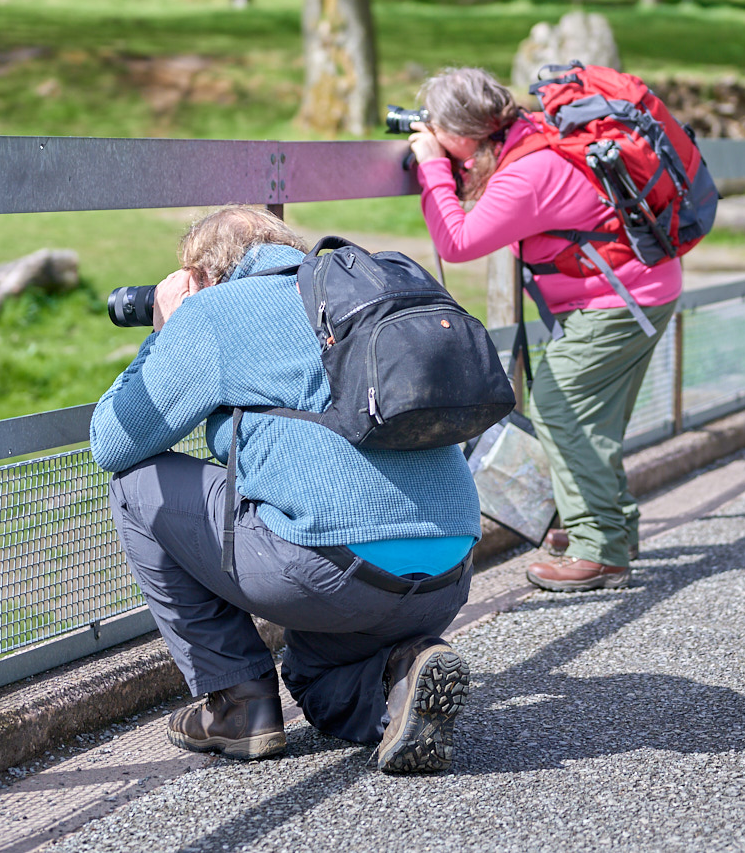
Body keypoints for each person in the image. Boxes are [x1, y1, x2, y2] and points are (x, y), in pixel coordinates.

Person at [91, 206, 481, 773]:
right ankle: (407, 670)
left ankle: (237, 702)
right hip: (447, 575)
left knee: (135, 486)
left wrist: (167, 330)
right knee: (314, 679)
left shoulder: (216, 312)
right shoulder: (362, 295)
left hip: (331, 575)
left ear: (200, 275)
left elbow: (111, 441)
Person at [408, 66, 681, 594]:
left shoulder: (526, 173)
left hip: (620, 301)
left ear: (461, 138)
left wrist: (430, 169)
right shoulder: (529, 136)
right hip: (641, 289)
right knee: (591, 417)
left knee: (561, 406)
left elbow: (457, 243)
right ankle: (611, 527)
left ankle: (598, 550)